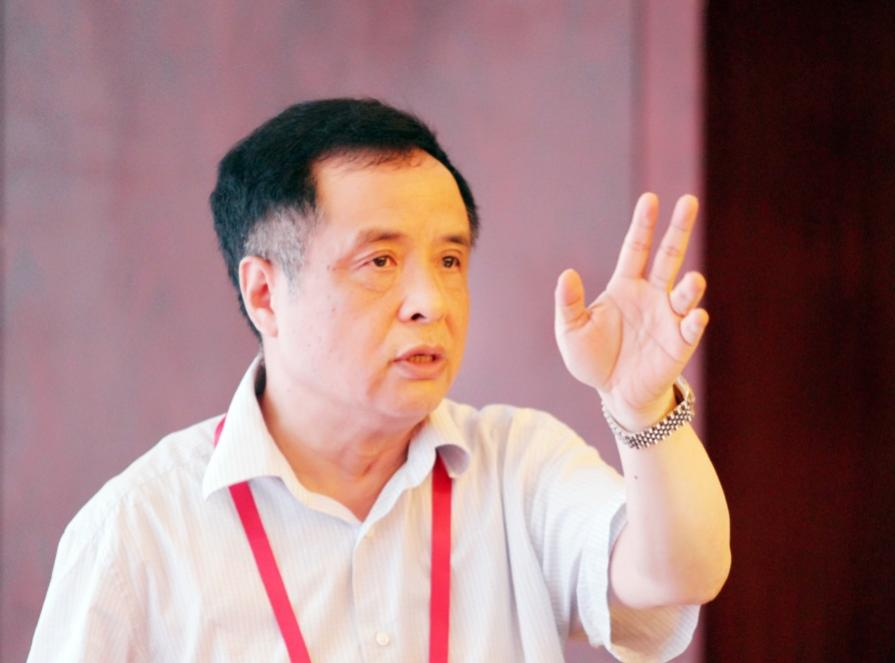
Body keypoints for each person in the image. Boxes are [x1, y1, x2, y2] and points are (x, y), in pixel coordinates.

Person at [28, 98, 730, 662]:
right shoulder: (136, 533)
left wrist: (641, 408)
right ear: (265, 294)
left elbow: (681, 573)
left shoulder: (518, 468)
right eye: (380, 262)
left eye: (449, 261)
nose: (430, 301)